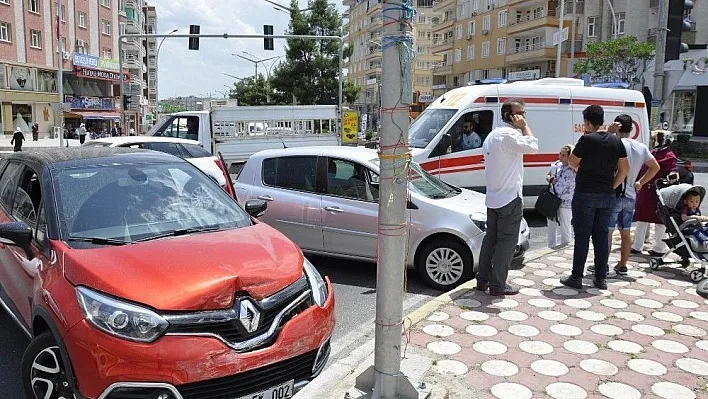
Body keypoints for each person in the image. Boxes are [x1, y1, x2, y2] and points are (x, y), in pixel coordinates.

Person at [560, 105, 629, 290]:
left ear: (588, 123)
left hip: (585, 194)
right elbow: (624, 169)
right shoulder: (617, 142)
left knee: (582, 237)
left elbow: (572, 161)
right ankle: (600, 278)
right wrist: (611, 186)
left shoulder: (587, 140)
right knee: (600, 237)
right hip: (607, 195)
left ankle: (576, 277)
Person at [477, 99, 538, 296]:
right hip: (509, 197)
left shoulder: (492, 135)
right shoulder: (510, 135)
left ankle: (482, 280)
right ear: (510, 116)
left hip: (493, 197)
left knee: (491, 240)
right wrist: (525, 127)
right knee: (507, 243)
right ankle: (498, 285)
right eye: (521, 114)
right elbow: (533, 146)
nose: (524, 117)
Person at [602, 115, 659, 275]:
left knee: (607, 231)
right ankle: (622, 264)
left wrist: (609, 132)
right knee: (625, 232)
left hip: (614, 193)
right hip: (631, 195)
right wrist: (641, 181)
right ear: (631, 128)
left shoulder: (615, 143)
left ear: (617, 126)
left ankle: (602, 264)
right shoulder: (640, 147)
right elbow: (655, 167)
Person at [631, 131, 677, 256]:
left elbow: (672, 171)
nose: (652, 142)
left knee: (660, 221)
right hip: (645, 190)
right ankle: (637, 245)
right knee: (641, 219)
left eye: (654, 139)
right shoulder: (652, 152)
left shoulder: (669, 155)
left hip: (658, 192)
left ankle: (659, 248)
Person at [546, 144, 576, 248]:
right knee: (551, 225)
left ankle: (565, 246)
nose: (560, 157)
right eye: (560, 154)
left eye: (563, 155)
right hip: (553, 199)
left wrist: (572, 161)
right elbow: (548, 175)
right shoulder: (556, 164)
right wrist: (550, 178)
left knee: (565, 226)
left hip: (566, 201)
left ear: (569, 156)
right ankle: (551, 247)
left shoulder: (574, 168)